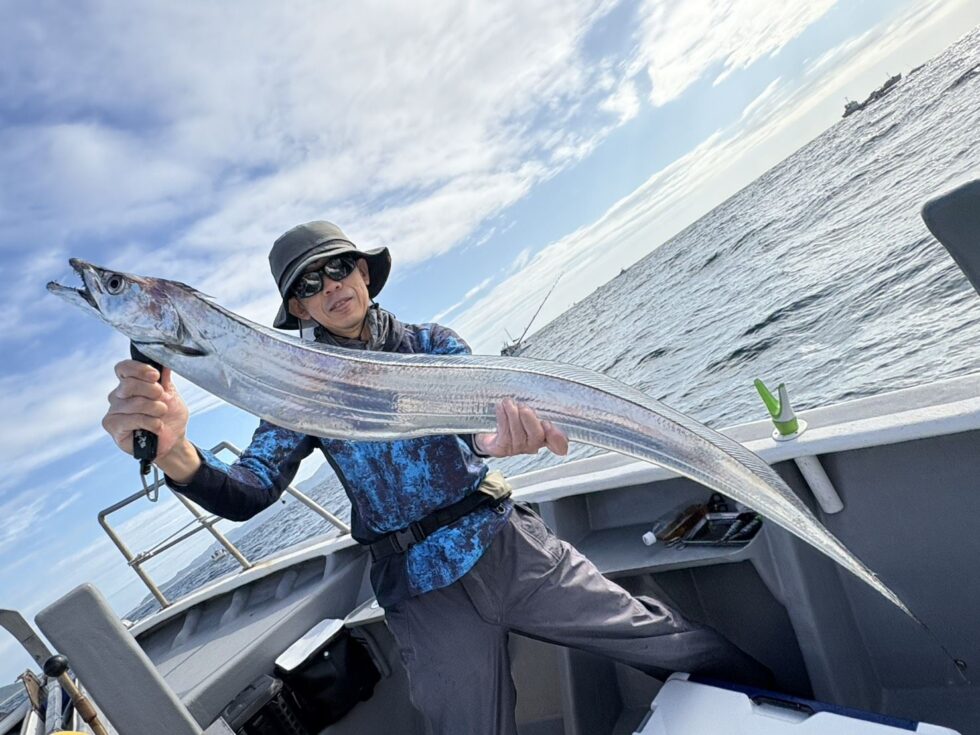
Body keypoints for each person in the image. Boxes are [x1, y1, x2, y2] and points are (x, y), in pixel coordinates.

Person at [102, 221, 771, 734]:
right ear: (299, 310)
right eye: (308, 284)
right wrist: (176, 452)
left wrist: (500, 440)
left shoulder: (432, 346)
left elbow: (478, 431)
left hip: (507, 546)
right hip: (419, 593)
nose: (330, 286)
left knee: (663, 638)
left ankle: (783, 700)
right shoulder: (296, 390)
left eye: (339, 267)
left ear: (364, 273)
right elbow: (250, 489)